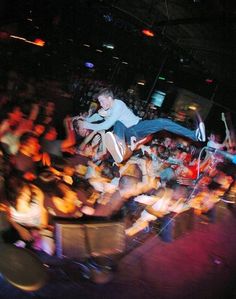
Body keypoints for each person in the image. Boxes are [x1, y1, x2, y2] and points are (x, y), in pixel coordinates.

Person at [79, 88, 206, 163]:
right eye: (99, 102)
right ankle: (120, 148)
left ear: (109, 98)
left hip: (138, 128)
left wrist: (87, 124)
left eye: (102, 101)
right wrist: (87, 119)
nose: (101, 104)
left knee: (162, 122)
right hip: (129, 133)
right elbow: (98, 116)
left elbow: (107, 124)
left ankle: (195, 135)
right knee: (117, 122)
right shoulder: (107, 109)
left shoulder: (118, 104)